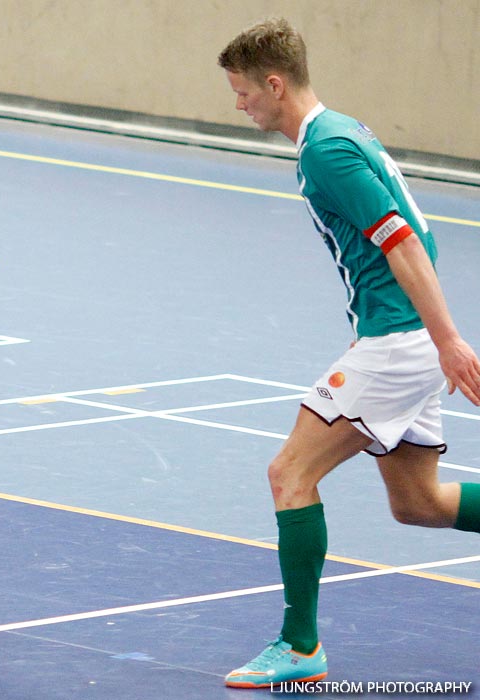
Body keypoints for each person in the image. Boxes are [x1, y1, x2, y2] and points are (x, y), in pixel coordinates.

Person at [217, 18, 480, 688]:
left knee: (289, 475)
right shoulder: (344, 130)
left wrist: (445, 340)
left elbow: (403, 244)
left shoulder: (324, 153)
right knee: (419, 503)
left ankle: (300, 647)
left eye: (245, 92)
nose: (239, 104)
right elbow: (421, 234)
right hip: (404, 336)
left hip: (397, 341)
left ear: (275, 84)